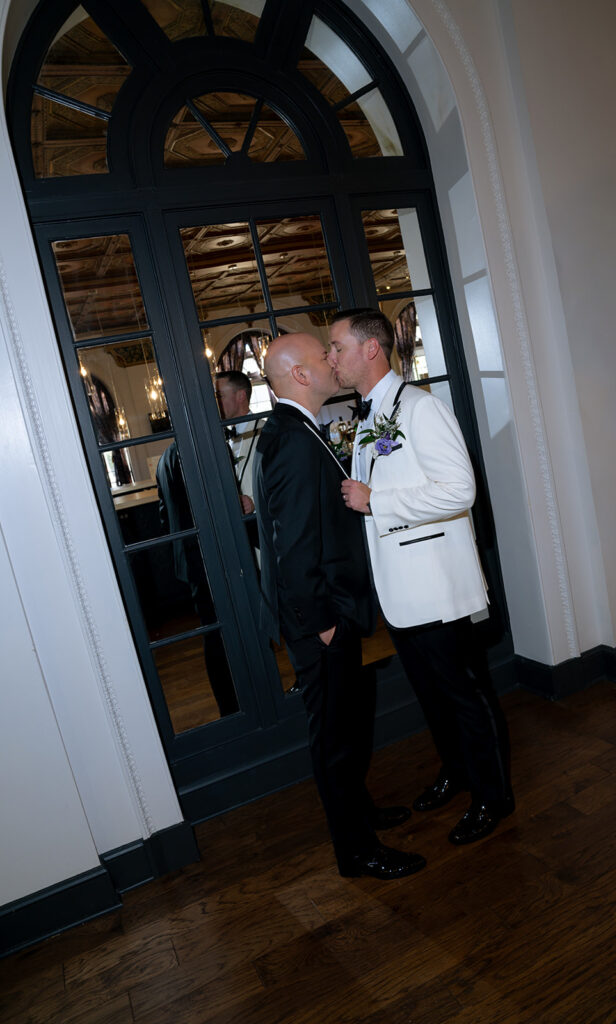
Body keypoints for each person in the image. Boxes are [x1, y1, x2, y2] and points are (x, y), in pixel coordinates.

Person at [328, 309, 513, 846]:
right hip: (399, 590)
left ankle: (494, 795)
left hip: (437, 586)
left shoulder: (422, 408)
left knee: (464, 694)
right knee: (432, 694)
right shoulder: (366, 419)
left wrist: (378, 500)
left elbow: (461, 490)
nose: (332, 358)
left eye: (338, 347)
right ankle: (456, 771)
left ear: (371, 349)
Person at [253, 331, 426, 879]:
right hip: (321, 619)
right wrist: (323, 622)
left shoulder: (294, 429)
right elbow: (293, 547)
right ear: (300, 376)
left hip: (327, 612)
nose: (333, 360)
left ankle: (363, 815)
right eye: (323, 355)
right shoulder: (293, 440)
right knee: (334, 740)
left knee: (346, 730)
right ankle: (356, 851)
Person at [156, 441, 239, 717]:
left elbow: (163, 514)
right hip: (213, 558)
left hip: (190, 562)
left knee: (213, 633)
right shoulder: (205, 447)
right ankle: (235, 704)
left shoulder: (164, 459)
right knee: (228, 633)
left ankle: (229, 706)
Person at [214, 370, 260, 514]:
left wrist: (254, 503)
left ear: (241, 396)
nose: (215, 403)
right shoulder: (220, 439)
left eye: (219, 396)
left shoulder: (266, 431)